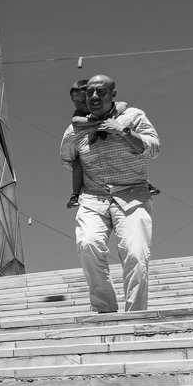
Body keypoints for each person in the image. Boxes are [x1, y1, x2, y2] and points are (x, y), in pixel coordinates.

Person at [59, 74, 160, 312]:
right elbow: (67, 160)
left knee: (135, 253)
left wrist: (124, 132)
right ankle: (105, 310)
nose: (95, 96)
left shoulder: (133, 116)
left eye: (101, 92)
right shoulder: (74, 131)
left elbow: (154, 149)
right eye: (91, 92)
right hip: (94, 198)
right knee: (87, 244)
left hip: (133, 194)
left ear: (113, 95)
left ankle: (135, 315)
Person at [66, 79, 159, 208]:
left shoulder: (118, 109)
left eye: (84, 99)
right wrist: (97, 121)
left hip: (127, 174)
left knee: (122, 152)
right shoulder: (80, 114)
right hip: (96, 183)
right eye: (76, 102)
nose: (81, 105)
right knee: (78, 160)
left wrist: (109, 118)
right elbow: (75, 120)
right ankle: (75, 194)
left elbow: (123, 105)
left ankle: (144, 183)